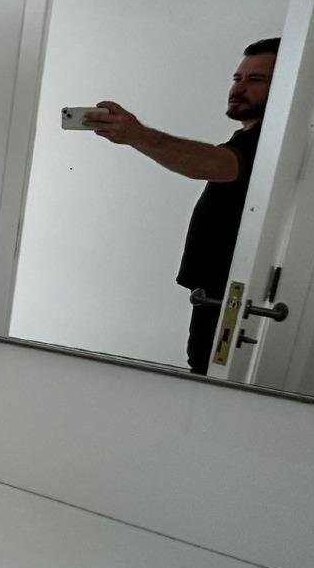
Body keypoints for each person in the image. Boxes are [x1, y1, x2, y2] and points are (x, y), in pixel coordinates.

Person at [83, 38, 280, 375]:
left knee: (211, 379)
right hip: (218, 296)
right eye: (237, 78)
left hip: (233, 299)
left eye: (256, 80)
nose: (238, 88)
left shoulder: (266, 141)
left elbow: (218, 164)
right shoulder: (254, 136)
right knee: (204, 372)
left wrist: (137, 135)